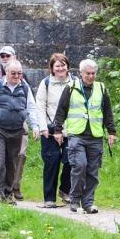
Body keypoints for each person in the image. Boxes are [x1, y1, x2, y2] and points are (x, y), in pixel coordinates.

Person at [52, 58, 117, 213]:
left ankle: (88, 203)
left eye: (93, 73)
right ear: (81, 73)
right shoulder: (71, 87)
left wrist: (112, 132)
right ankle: (74, 200)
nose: (91, 76)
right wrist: (58, 130)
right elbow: (61, 111)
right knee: (79, 166)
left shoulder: (101, 88)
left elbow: (108, 112)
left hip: (95, 136)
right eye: (88, 73)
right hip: (77, 135)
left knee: (93, 171)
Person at [0, 59, 42, 203]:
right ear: (6, 72)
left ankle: (8, 194)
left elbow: (31, 107)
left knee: (12, 163)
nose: (17, 76)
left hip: (16, 130)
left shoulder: (25, 88)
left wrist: (36, 126)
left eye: (19, 73)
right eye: (13, 73)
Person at [0, 44, 31, 200]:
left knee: (17, 157)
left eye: (7, 56)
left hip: (18, 123)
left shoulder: (23, 78)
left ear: (14, 57)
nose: (4, 58)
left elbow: (30, 102)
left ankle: (14, 188)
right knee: (0, 159)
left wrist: (35, 125)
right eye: (2, 56)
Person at [33, 53, 78, 207]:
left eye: (63, 65)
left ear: (68, 66)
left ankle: (65, 190)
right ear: (52, 68)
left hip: (70, 129)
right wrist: (43, 128)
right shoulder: (45, 83)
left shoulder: (75, 83)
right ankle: (49, 198)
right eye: (57, 66)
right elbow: (40, 107)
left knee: (71, 161)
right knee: (51, 163)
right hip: (50, 130)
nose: (60, 68)